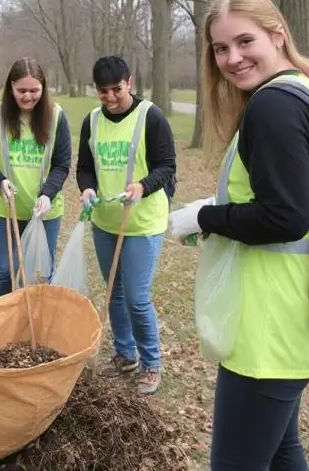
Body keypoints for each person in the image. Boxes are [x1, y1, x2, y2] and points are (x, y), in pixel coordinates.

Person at [189, 0, 309, 468]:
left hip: (269, 326)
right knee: (282, 451)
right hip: (292, 320)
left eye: (245, 41)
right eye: (220, 48)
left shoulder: (274, 105)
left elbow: (285, 216)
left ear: (277, 34)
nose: (232, 58)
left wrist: (207, 217)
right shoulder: (305, 89)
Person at [76, 55, 176, 395]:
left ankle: (151, 364)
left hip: (143, 223)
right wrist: (87, 188)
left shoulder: (151, 117)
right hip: (105, 220)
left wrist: (143, 186)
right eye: (103, 92)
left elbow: (167, 166)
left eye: (116, 89)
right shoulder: (91, 121)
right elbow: (84, 167)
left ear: (129, 82)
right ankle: (125, 354)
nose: (110, 97)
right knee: (114, 292)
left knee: (136, 296)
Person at [0, 58, 71, 299]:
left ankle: (34, 330)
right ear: (11, 88)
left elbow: (62, 164)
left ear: (43, 88)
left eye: (34, 91)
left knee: (40, 274)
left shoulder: (57, 117)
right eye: (22, 91)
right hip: (6, 210)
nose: (28, 96)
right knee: (6, 271)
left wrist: (48, 193)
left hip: (44, 212)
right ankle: (0, 323)